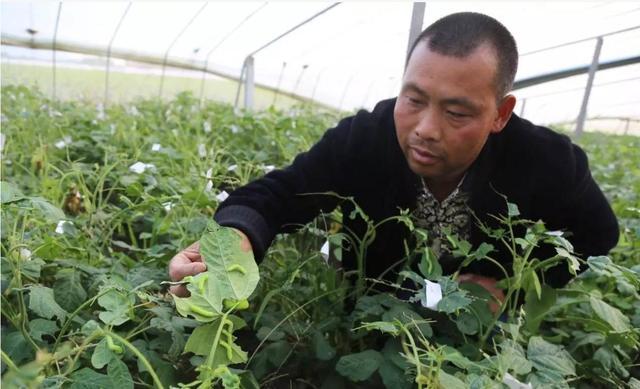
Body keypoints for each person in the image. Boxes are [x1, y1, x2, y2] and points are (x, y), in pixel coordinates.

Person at [169, 12, 618, 301]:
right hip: (369, 315)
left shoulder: (548, 161)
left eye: (456, 112)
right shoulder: (365, 138)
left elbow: (597, 236)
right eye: (414, 100)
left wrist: (512, 285)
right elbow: (280, 194)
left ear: (500, 114)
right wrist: (234, 240)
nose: (425, 129)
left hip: (477, 336)